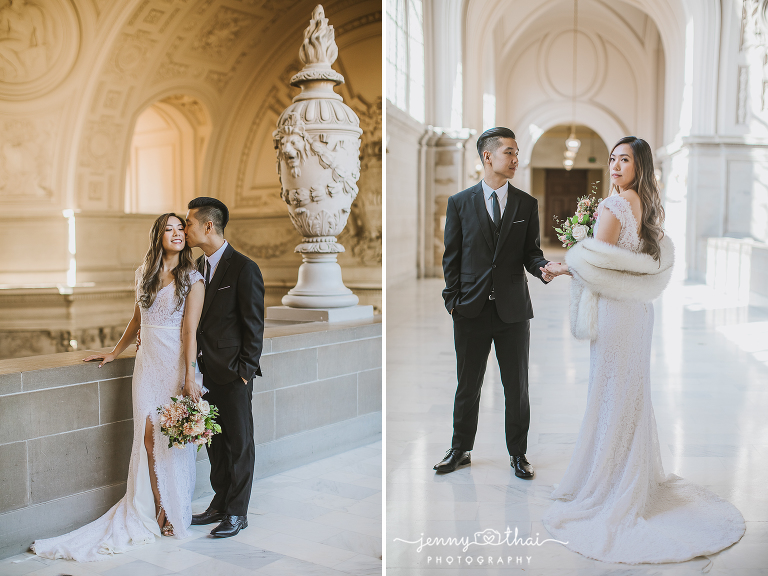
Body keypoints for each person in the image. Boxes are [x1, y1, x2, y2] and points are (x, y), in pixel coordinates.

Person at [541, 137, 745, 563]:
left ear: (639, 165)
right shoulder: (645, 205)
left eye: (624, 160)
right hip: (637, 312)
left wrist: (564, 263)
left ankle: (611, 485)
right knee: (629, 393)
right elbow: (627, 260)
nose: (615, 166)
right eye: (613, 159)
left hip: (616, 313)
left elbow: (598, 264)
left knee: (612, 392)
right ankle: (629, 475)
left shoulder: (613, 207)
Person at [31, 213, 205, 562]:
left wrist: (188, 377)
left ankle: (170, 510)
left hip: (174, 364)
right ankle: (155, 507)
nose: (176, 234)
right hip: (146, 365)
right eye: (168, 229)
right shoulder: (144, 274)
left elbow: (190, 333)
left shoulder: (192, 278)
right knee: (146, 437)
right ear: (158, 236)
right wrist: (115, 352)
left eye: (180, 229)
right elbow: (138, 318)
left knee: (168, 437)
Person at [435, 127, 560, 478]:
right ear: (488, 156)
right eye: (510, 152)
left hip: (513, 311)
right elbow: (452, 258)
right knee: (468, 384)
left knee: (517, 386)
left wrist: (543, 269)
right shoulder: (459, 203)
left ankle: (518, 454)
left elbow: (531, 254)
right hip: (470, 309)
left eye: (517, 152)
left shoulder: (526, 204)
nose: (516, 159)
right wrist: (453, 302)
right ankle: (460, 449)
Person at [184, 197, 265, 538]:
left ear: (208, 225)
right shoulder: (195, 269)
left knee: (240, 442)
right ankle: (219, 502)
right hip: (203, 375)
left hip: (233, 373)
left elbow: (254, 325)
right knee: (215, 443)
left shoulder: (244, 268)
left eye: (188, 223)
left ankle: (237, 512)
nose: (185, 229)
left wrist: (244, 371)